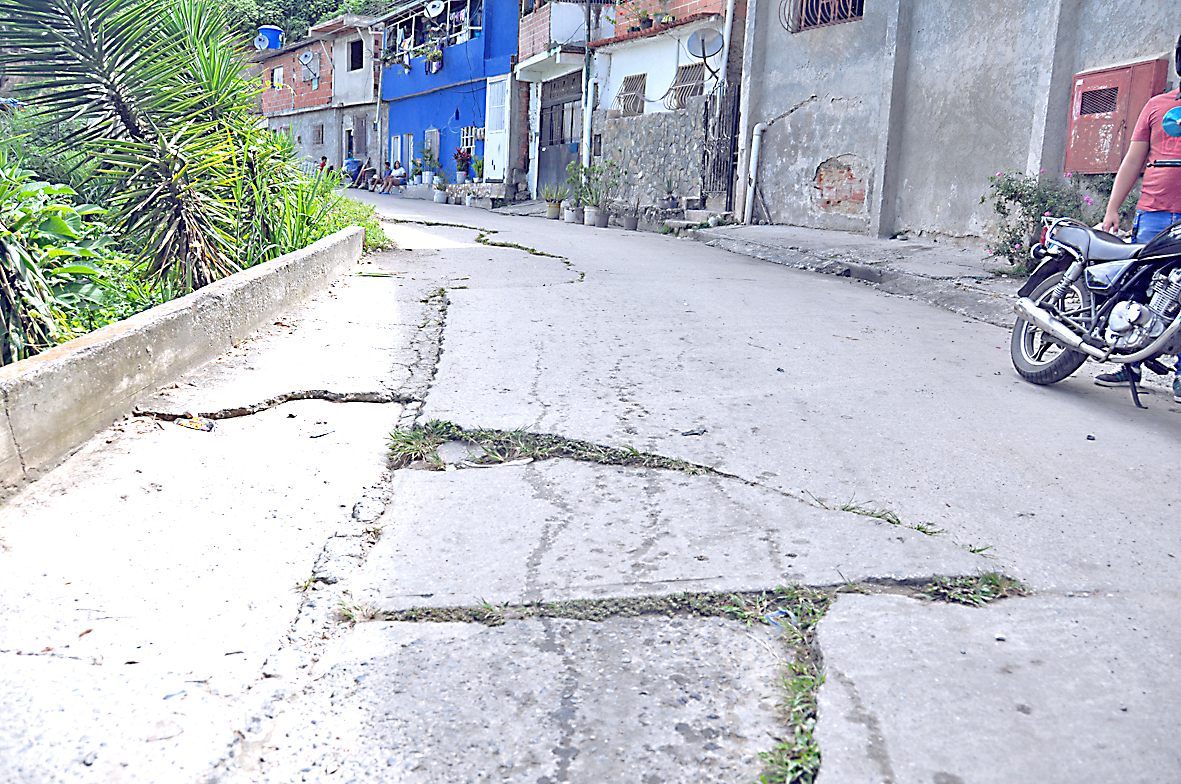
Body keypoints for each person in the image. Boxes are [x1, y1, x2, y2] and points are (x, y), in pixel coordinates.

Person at [1094, 35, 1181, 401]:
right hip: (1154, 211)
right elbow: (1133, 160)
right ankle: (1128, 361)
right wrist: (1113, 209)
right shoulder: (1156, 106)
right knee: (1138, 285)